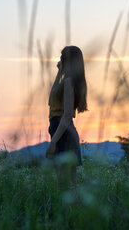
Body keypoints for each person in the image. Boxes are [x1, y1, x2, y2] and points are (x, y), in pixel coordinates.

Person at [45, 45, 88, 190]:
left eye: (62, 58)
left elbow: (67, 115)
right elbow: (50, 101)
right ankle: (73, 212)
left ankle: (69, 212)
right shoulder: (67, 80)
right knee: (68, 184)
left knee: (65, 184)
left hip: (63, 132)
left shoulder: (69, 82)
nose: (59, 61)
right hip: (62, 130)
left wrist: (53, 142)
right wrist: (59, 73)